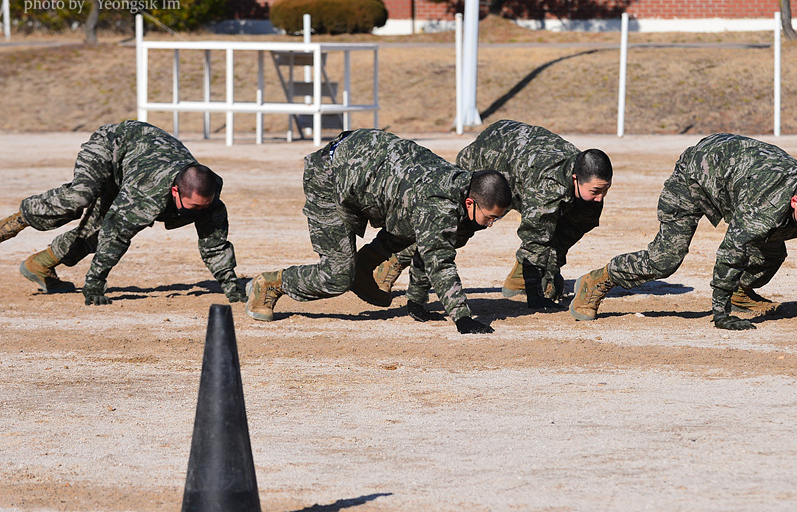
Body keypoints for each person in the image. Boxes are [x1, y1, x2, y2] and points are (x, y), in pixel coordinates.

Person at [569, 133, 797, 330]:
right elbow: (732, 252)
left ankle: (740, 293)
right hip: (695, 175)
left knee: (772, 250)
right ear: (796, 200)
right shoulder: (766, 205)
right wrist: (720, 313)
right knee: (666, 259)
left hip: (736, 175)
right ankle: (599, 279)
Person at [244, 128, 512, 334]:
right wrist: (462, 318)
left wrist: (416, 302)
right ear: (470, 201)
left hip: (367, 172)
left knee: (415, 227)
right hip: (329, 175)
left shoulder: (464, 192)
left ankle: (363, 268)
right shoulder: (438, 205)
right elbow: (439, 262)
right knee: (337, 276)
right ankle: (269, 283)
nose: (490, 225)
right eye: (490, 218)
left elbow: (430, 245)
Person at [372, 119, 612, 317]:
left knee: (581, 217)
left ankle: (519, 280)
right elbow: (535, 237)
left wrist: (551, 269)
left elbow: (565, 233)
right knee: (457, 227)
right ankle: (393, 261)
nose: (601, 198)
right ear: (574, 178)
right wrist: (536, 297)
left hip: (520, 160)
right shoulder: (547, 186)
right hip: (489, 156)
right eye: (595, 191)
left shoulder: (589, 179)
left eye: (605, 190)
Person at [0, 120, 245, 305]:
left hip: (136, 166)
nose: (200, 211)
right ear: (174, 191)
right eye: (193, 207)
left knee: (95, 233)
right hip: (114, 144)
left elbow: (214, 244)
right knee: (80, 197)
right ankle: (18, 220)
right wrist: (95, 283)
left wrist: (230, 285)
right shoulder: (149, 193)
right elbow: (116, 235)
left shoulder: (207, 197)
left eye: (205, 205)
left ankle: (39, 265)